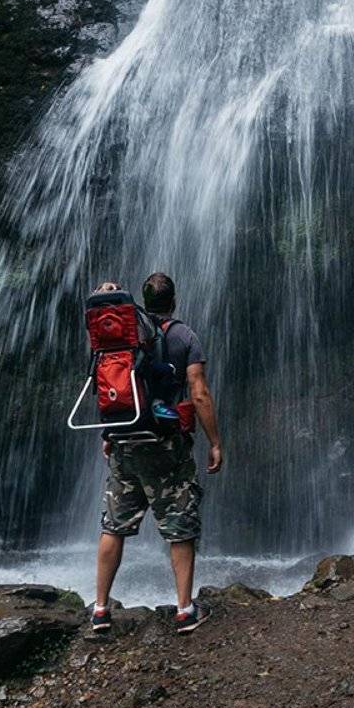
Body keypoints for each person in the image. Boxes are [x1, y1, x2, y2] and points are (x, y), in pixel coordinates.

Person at [90, 272, 222, 637]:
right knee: (179, 525)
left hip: (125, 439)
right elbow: (198, 393)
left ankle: (100, 610)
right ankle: (184, 610)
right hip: (166, 444)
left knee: (114, 524)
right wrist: (214, 442)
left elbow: (111, 385)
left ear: (144, 303)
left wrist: (110, 432)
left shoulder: (122, 336)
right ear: (174, 301)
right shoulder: (184, 336)